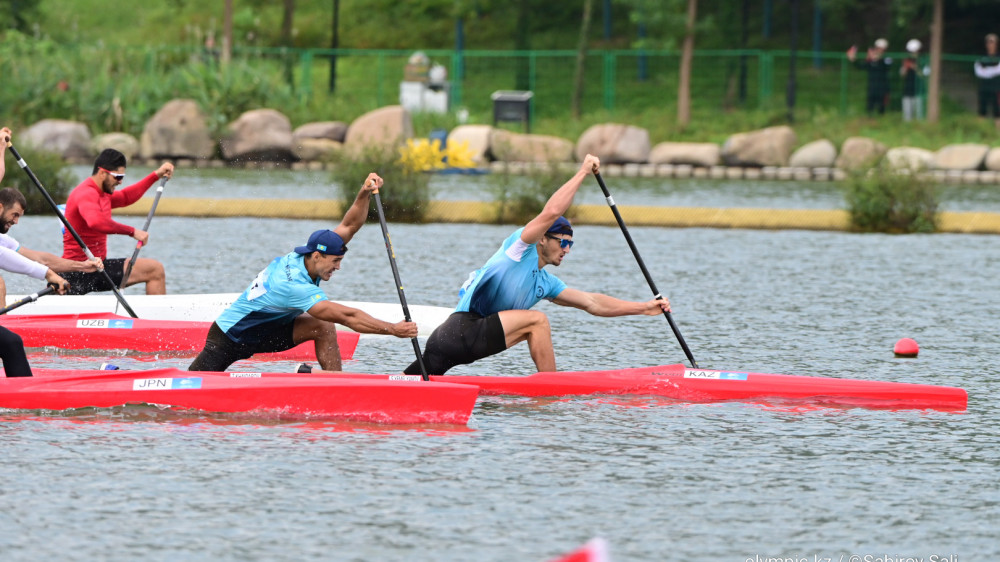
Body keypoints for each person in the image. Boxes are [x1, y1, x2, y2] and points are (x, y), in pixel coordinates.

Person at [400, 155, 671, 376]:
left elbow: (592, 303)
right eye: (562, 242)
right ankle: (550, 392)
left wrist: (643, 308)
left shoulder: (545, 283)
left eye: (571, 244)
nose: (566, 249)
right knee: (537, 321)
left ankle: (400, 383)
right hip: (458, 332)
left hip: (460, 344)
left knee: (416, 381)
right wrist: (582, 173)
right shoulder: (519, 248)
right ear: (543, 238)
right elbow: (551, 213)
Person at [188, 173, 418, 372]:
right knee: (190, 386)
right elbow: (348, 317)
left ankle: (336, 384)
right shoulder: (293, 284)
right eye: (335, 261)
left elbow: (349, 225)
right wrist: (393, 329)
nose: (338, 267)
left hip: (266, 332)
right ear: (317, 256)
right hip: (229, 337)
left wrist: (364, 191)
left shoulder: (309, 257)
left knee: (322, 326)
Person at [60, 148, 173, 295]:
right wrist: (132, 232)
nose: (120, 182)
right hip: (75, 271)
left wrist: (156, 175)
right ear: (102, 173)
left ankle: (157, 317)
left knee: (155, 270)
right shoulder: (85, 193)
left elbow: (126, 197)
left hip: (100, 267)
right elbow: (96, 222)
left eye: (122, 177)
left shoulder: (104, 194)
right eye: (117, 177)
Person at [847, 38, 893, 116]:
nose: (879, 50)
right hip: (872, 86)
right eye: (878, 48)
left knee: (882, 106)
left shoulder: (887, 58)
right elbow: (861, 66)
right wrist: (853, 60)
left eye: (881, 49)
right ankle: (869, 118)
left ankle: (882, 120)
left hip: (883, 86)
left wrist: (877, 59)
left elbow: (888, 65)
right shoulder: (871, 60)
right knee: (870, 105)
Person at [974, 33, 1000, 120]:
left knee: (997, 112)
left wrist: (987, 71)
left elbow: (998, 70)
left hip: (997, 87)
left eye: (992, 42)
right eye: (988, 42)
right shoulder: (981, 56)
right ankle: (981, 131)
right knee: (982, 110)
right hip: (984, 87)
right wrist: (992, 71)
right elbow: (978, 71)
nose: (990, 44)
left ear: (996, 44)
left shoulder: (998, 57)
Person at [900, 39, 924, 122]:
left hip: (919, 91)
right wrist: (905, 68)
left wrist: (915, 68)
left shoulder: (923, 61)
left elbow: (924, 75)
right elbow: (902, 75)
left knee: (919, 114)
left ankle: (919, 125)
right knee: (907, 115)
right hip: (907, 89)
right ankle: (907, 125)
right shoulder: (906, 60)